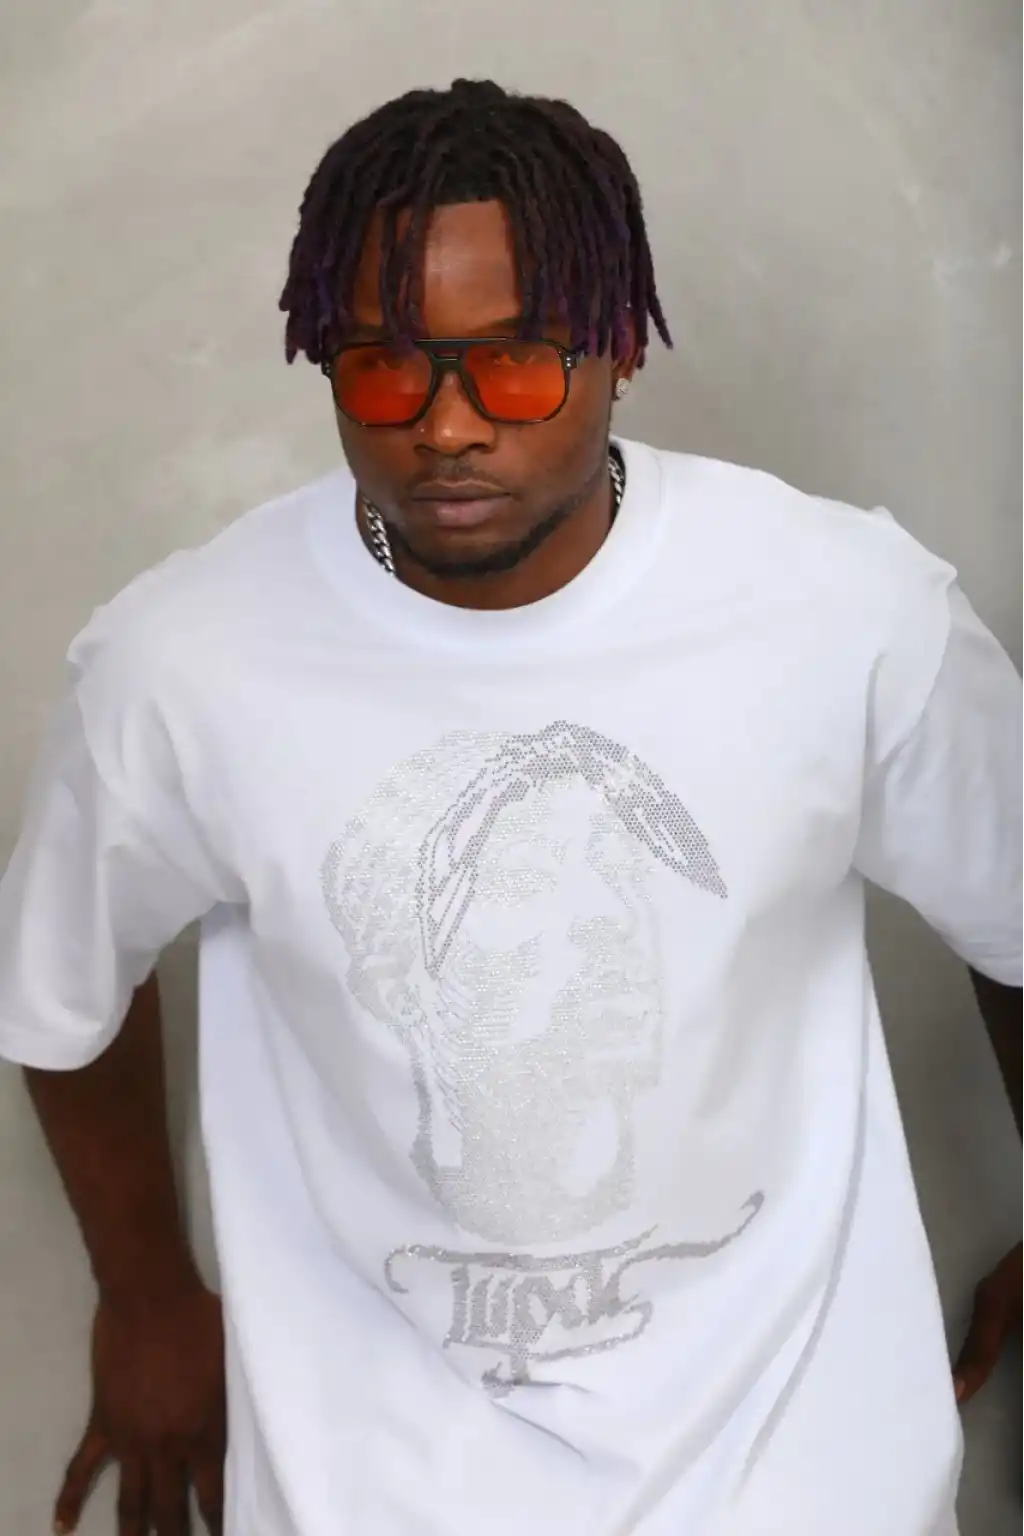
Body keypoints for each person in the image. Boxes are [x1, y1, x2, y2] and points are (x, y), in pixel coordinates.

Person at [0, 76, 1021, 1536]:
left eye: (519, 364)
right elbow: (59, 996)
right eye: (383, 367)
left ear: (619, 350)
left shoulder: (848, 611)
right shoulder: (184, 665)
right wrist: (146, 1295)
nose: (447, 426)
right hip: (370, 1493)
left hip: (804, 1486)